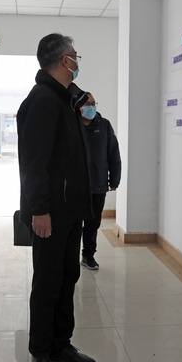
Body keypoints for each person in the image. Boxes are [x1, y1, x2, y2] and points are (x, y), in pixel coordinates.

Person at [17, 33, 97, 362]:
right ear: (65, 60)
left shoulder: (64, 99)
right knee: (48, 282)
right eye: (75, 55)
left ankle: (62, 343)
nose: (77, 61)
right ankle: (40, 350)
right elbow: (33, 163)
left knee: (67, 277)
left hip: (70, 210)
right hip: (50, 212)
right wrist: (40, 210)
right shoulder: (42, 100)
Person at [76, 92, 121, 271]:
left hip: (98, 184)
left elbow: (113, 153)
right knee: (74, 224)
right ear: (78, 107)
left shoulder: (104, 125)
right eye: (88, 104)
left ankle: (88, 255)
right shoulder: (72, 124)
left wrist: (114, 178)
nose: (92, 107)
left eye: (94, 104)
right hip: (76, 186)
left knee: (93, 223)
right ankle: (70, 256)